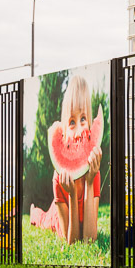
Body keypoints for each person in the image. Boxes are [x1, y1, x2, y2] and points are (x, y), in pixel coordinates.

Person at [51, 73, 102, 244]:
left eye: (83, 119)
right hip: (57, 217)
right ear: (63, 132)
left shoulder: (94, 170)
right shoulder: (58, 178)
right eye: (72, 122)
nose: (79, 131)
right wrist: (72, 195)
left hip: (87, 179)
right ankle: (34, 211)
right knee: (43, 218)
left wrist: (89, 181)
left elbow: (88, 239)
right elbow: (71, 242)